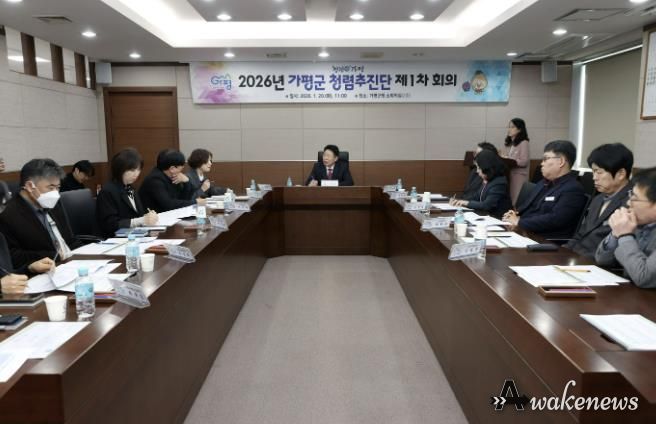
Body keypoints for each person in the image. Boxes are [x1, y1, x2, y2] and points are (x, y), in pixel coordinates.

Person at [0, 158, 80, 270]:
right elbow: (13, 257)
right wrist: (54, 256)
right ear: (29, 186)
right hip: (42, 272)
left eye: (58, 188)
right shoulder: (7, 214)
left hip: (71, 263)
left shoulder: (54, 203)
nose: (55, 194)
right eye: (51, 187)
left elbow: (69, 239)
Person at [503, 140, 587, 239]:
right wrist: (514, 214)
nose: (542, 163)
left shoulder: (573, 189)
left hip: (544, 239)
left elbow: (555, 219)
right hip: (525, 232)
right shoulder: (543, 183)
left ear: (561, 161)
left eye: (545, 159)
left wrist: (520, 221)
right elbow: (528, 207)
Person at [565, 144, 633, 258]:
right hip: (576, 257)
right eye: (593, 172)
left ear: (621, 174)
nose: (594, 177)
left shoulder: (633, 202)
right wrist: (563, 252)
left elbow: (617, 249)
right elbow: (580, 235)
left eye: (599, 172)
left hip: (597, 262)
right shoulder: (598, 198)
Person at [595, 167, 656, 288]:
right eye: (630, 195)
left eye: (634, 198)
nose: (628, 203)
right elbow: (602, 259)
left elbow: (644, 278)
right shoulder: (639, 222)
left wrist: (625, 235)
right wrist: (615, 233)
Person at [96, 149, 158, 238]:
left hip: (133, 235)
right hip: (116, 238)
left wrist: (148, 217)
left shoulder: (131, 187)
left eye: (139, 169)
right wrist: (141, 221)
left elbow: (138, 215)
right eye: (132, 170)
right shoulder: (107, 191)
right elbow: (111, 225)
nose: (136, 174)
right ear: (120, 169)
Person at [139, 149, 206, 212]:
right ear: (172, 169)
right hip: (153, 217)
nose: (181, 171)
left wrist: (186, 182)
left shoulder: (172, 176)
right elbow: (169, 204)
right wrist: (196, 202)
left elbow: (183, 199)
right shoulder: (154, 180)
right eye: (181, 168)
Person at [451, 150, 512, 218]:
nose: (477, 171)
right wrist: (459, 201)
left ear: (487, 168)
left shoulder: (499, 183)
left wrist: (466, 203)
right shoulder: (488, 179)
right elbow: (476, 196)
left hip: (498, 219)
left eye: (479, 168)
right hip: (486, 216)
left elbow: (487, 205)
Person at [501, 118, 530, 206]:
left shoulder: (524, 142)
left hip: (519, 177)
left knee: (517, 202)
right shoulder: (512, 144)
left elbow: (524, 161)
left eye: (512, 127)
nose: (509, 129)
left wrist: (508, 159)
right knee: (511, 201)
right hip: (510, 175)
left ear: (520, 129)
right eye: (509, 127)